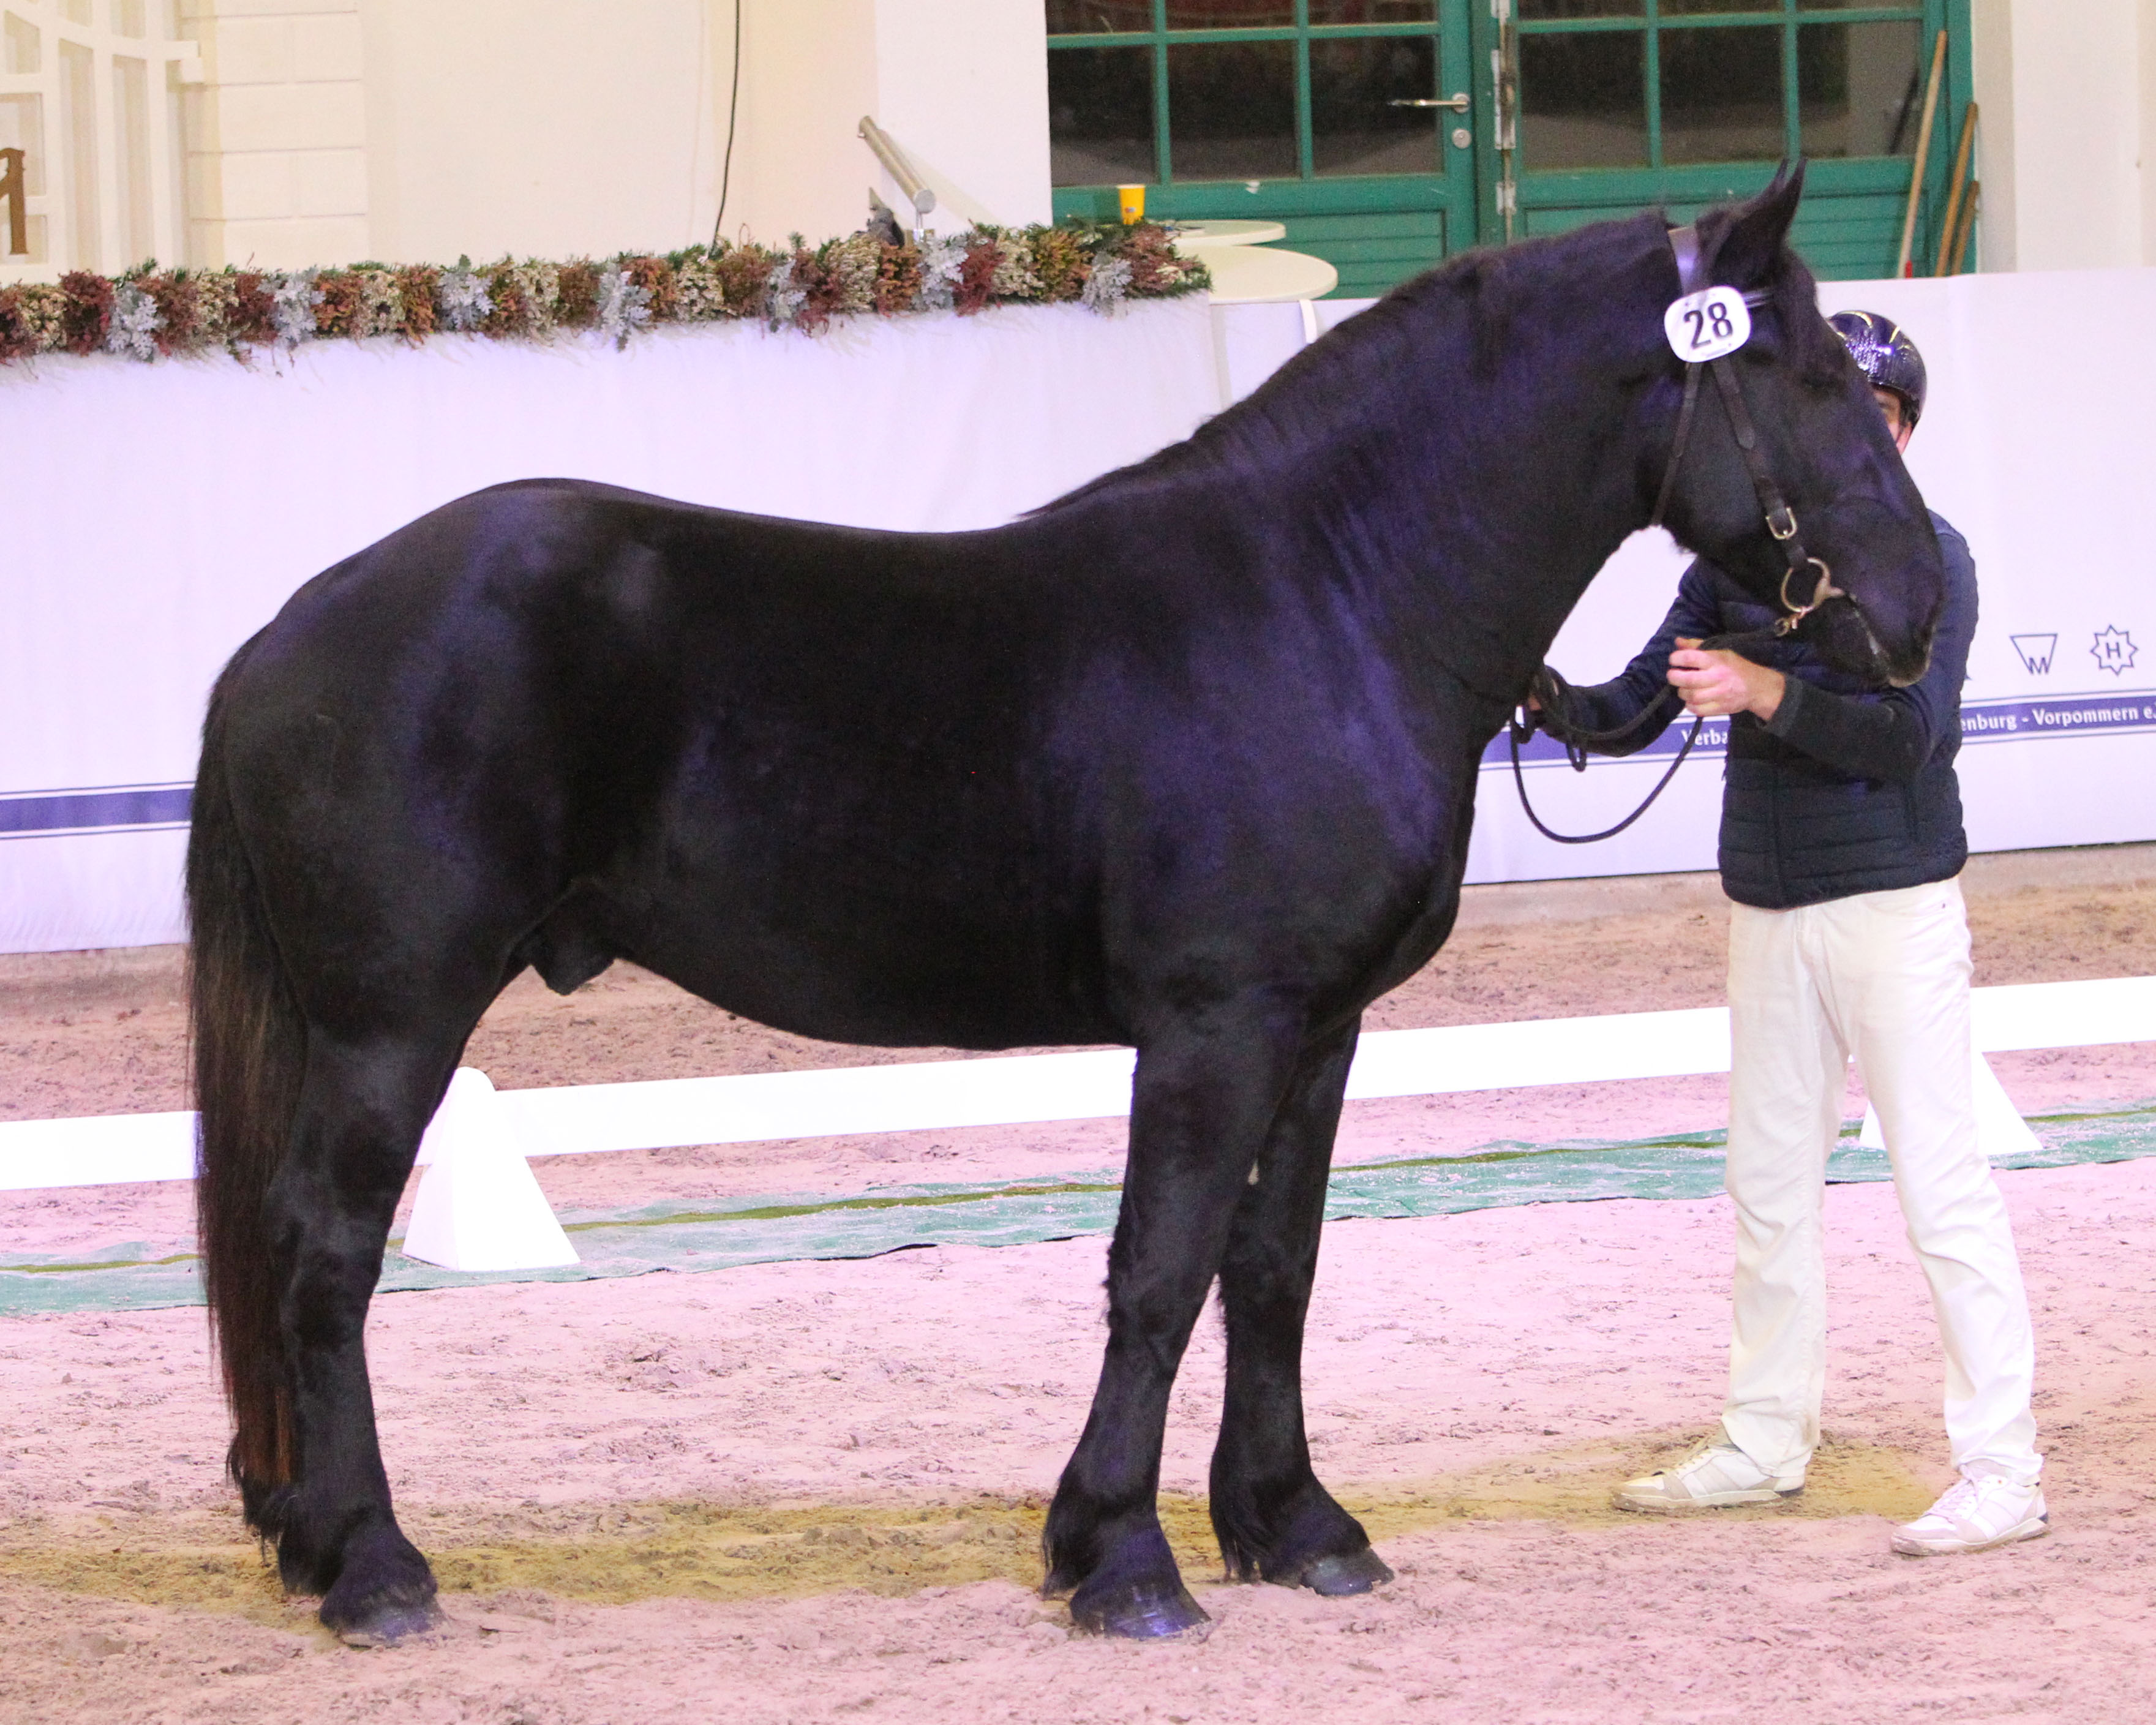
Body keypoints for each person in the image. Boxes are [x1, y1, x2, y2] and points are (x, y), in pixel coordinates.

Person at [1550, 312, 2045, 1555]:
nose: (1859, 431)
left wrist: (1766, 688)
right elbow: (1630, 705)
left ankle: (2005, 1470)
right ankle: (1764, 1438)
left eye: (1880, 412)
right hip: (1768, 913)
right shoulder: (1732, 563)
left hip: (1893, 907)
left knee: (1943, 1190)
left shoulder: (1931, 556)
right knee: (1767, 1188)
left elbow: (1914, 737)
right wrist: (1527, 683)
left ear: (1905, 430)